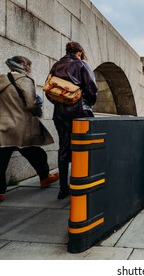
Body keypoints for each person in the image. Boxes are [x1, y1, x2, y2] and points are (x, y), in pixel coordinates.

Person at [0, 56, 58, 208]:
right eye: (29, 64)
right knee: (36, 153)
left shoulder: (0, 80)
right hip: (19, 126)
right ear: (24, 65)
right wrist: (38, 107)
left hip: (0, 126)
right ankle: (44, 178)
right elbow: (31, 103)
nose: (30, 68)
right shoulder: (24, 80)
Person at [47, 42, 98, 199]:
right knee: (84, 147)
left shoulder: (56, 66)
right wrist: (87, 102)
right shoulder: (81, 64)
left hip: (60, 113)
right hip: (80, 111)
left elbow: (49, 90)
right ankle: (81, 181)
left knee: (63, 147)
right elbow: (91, 89)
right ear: (79, 53)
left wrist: (61, 103)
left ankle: (63, 188)